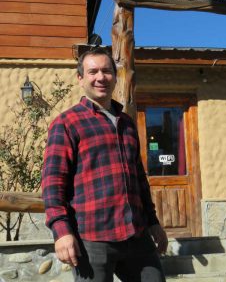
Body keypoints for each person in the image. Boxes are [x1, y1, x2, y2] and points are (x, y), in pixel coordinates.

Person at [42, 48, 168, 282]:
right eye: (93, 71)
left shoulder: (127, 123)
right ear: (80, 79)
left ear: (115, 76)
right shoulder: (67, 123)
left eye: (106, 71)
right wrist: (61, 231)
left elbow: (139, 178)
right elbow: (52, 183)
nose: (100, 77)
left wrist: (153, 222)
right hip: (92, 239)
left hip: (136, 234)